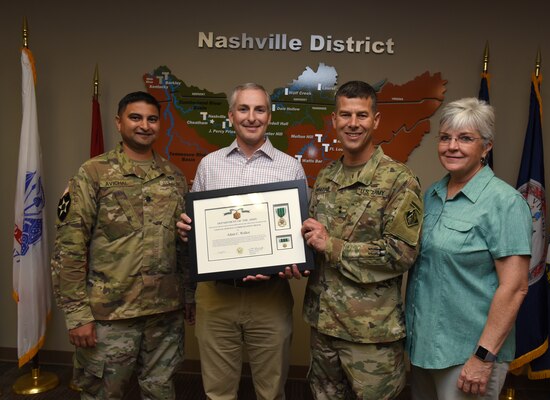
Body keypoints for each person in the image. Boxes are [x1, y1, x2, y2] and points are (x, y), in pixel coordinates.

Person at [51, 91, 191, 399]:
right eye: (136, 117)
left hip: (164, 315)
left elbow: (183, 245)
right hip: (110, 317)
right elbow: (69, 248)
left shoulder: (174, 177)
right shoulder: (93, 174)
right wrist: (77, 315)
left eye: (152, 119)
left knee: (161, 392)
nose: (144, 125)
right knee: (102, 394)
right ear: (119, 122)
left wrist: (189, 297)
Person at [176, 83, 307, 400]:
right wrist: (187, 231)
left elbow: (299, 232)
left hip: (270, 297)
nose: (252, 117)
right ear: (231, 116)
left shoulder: (290, 166)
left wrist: (290, 261)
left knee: (272, 391)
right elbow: (200, 228)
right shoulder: (210, 164)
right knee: (218, 392)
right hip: (217, 298)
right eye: (244, 109)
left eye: (259, 109)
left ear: (269, 116)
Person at [300, 80, 423, 399]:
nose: (353, 124)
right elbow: (312, 242)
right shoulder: (326, 177)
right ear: (334, 120)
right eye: (345, 115)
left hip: (371, 339)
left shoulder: (399, 180)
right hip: (323, 328)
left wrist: (333, 246)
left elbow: (402, 253)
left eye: (361, 115)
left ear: (376, 120)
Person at [405, 97, 532, 400]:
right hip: (423, 352)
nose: (452, 146)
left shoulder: (505, 203)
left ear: (486, 147)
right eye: (446, 137)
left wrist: (482, 358)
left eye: (465, 139)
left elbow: (514, 288)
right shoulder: (431, 196)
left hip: (468, 358)